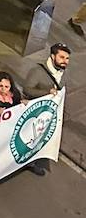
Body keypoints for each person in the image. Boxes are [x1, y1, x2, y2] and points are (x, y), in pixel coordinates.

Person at [21, 44, 70, 176]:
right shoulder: (37, 71)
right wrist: (47, 92)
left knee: (40, 138)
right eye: (61, 57)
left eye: (67, 58)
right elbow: (27, 89)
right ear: (53, 56)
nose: (65, 61)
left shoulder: (64, 73)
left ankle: (33, 160)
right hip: (34, 113)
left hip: (49, 114)